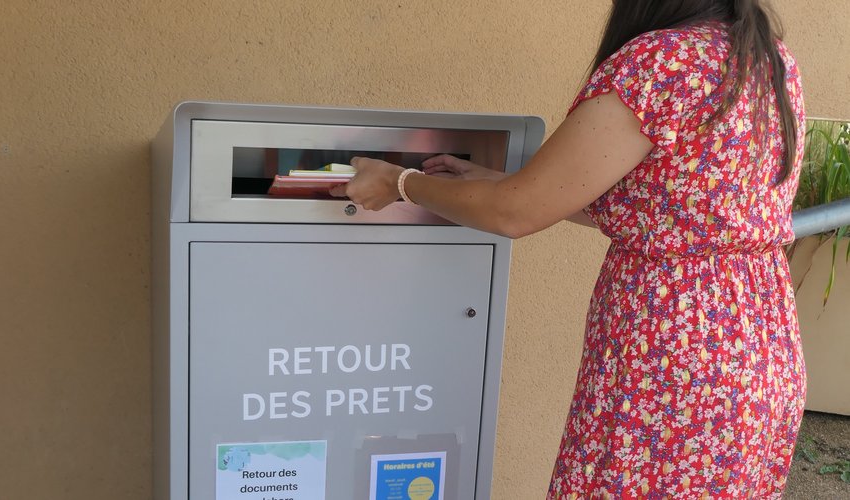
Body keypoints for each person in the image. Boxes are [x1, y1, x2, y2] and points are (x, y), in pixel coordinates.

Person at [331, 0, 806, 497]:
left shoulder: (660, 61)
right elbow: (663, 206)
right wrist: (508, 182)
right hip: (759, 347)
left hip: (675, 362)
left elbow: (513, 214)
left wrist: (398, 182)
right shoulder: (765, 59)